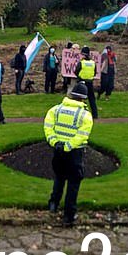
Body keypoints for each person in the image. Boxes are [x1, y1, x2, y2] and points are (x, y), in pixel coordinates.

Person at [45, 81, 94, 225]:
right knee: (73, 183)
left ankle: (53, 204)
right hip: (74, 153)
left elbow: (48, 127)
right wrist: (68, 145)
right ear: (83, 98)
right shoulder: (85, 115)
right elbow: (82, 135)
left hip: (58, 150)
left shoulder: (55, 110)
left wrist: (55, 142)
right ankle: (68, 215)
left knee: (59, 178)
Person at [74, 46, 98, 119]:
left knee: (80, 99)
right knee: (92, 99)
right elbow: (94, 72)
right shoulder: (93, 63)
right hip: (90, 82)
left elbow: (76, 72)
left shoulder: (81, 63)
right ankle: (95, 114)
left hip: (82, 82)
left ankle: (80, 114)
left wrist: (80, 77)